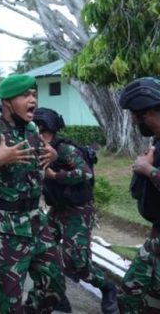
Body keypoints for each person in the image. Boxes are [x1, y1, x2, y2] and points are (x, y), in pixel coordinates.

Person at [0, 74, 65, 313]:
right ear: (7, 101)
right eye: (25, 95)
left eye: (34, 94)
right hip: (3, 228)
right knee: (3, 301)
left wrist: (53, 156)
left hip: (36, 220)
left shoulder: (32, 129)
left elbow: (40, 160)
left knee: (54, 286)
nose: (33, 100)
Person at [34, 107, 118, 314]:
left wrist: (56, 176)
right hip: (57, 209)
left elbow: (85, 173)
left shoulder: (64, 149)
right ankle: (57, 296)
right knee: (43, 251)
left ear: (46, 130)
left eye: (38, 130)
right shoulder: (38, 149)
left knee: (77, 262)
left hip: (78, 211)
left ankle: (108, 288)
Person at [117, 77, 160, 313]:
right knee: (129, 299)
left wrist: (148, 170)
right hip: (155, 240)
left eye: (135, 115)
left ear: (147, 112)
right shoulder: (156, 143)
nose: (133, 121)